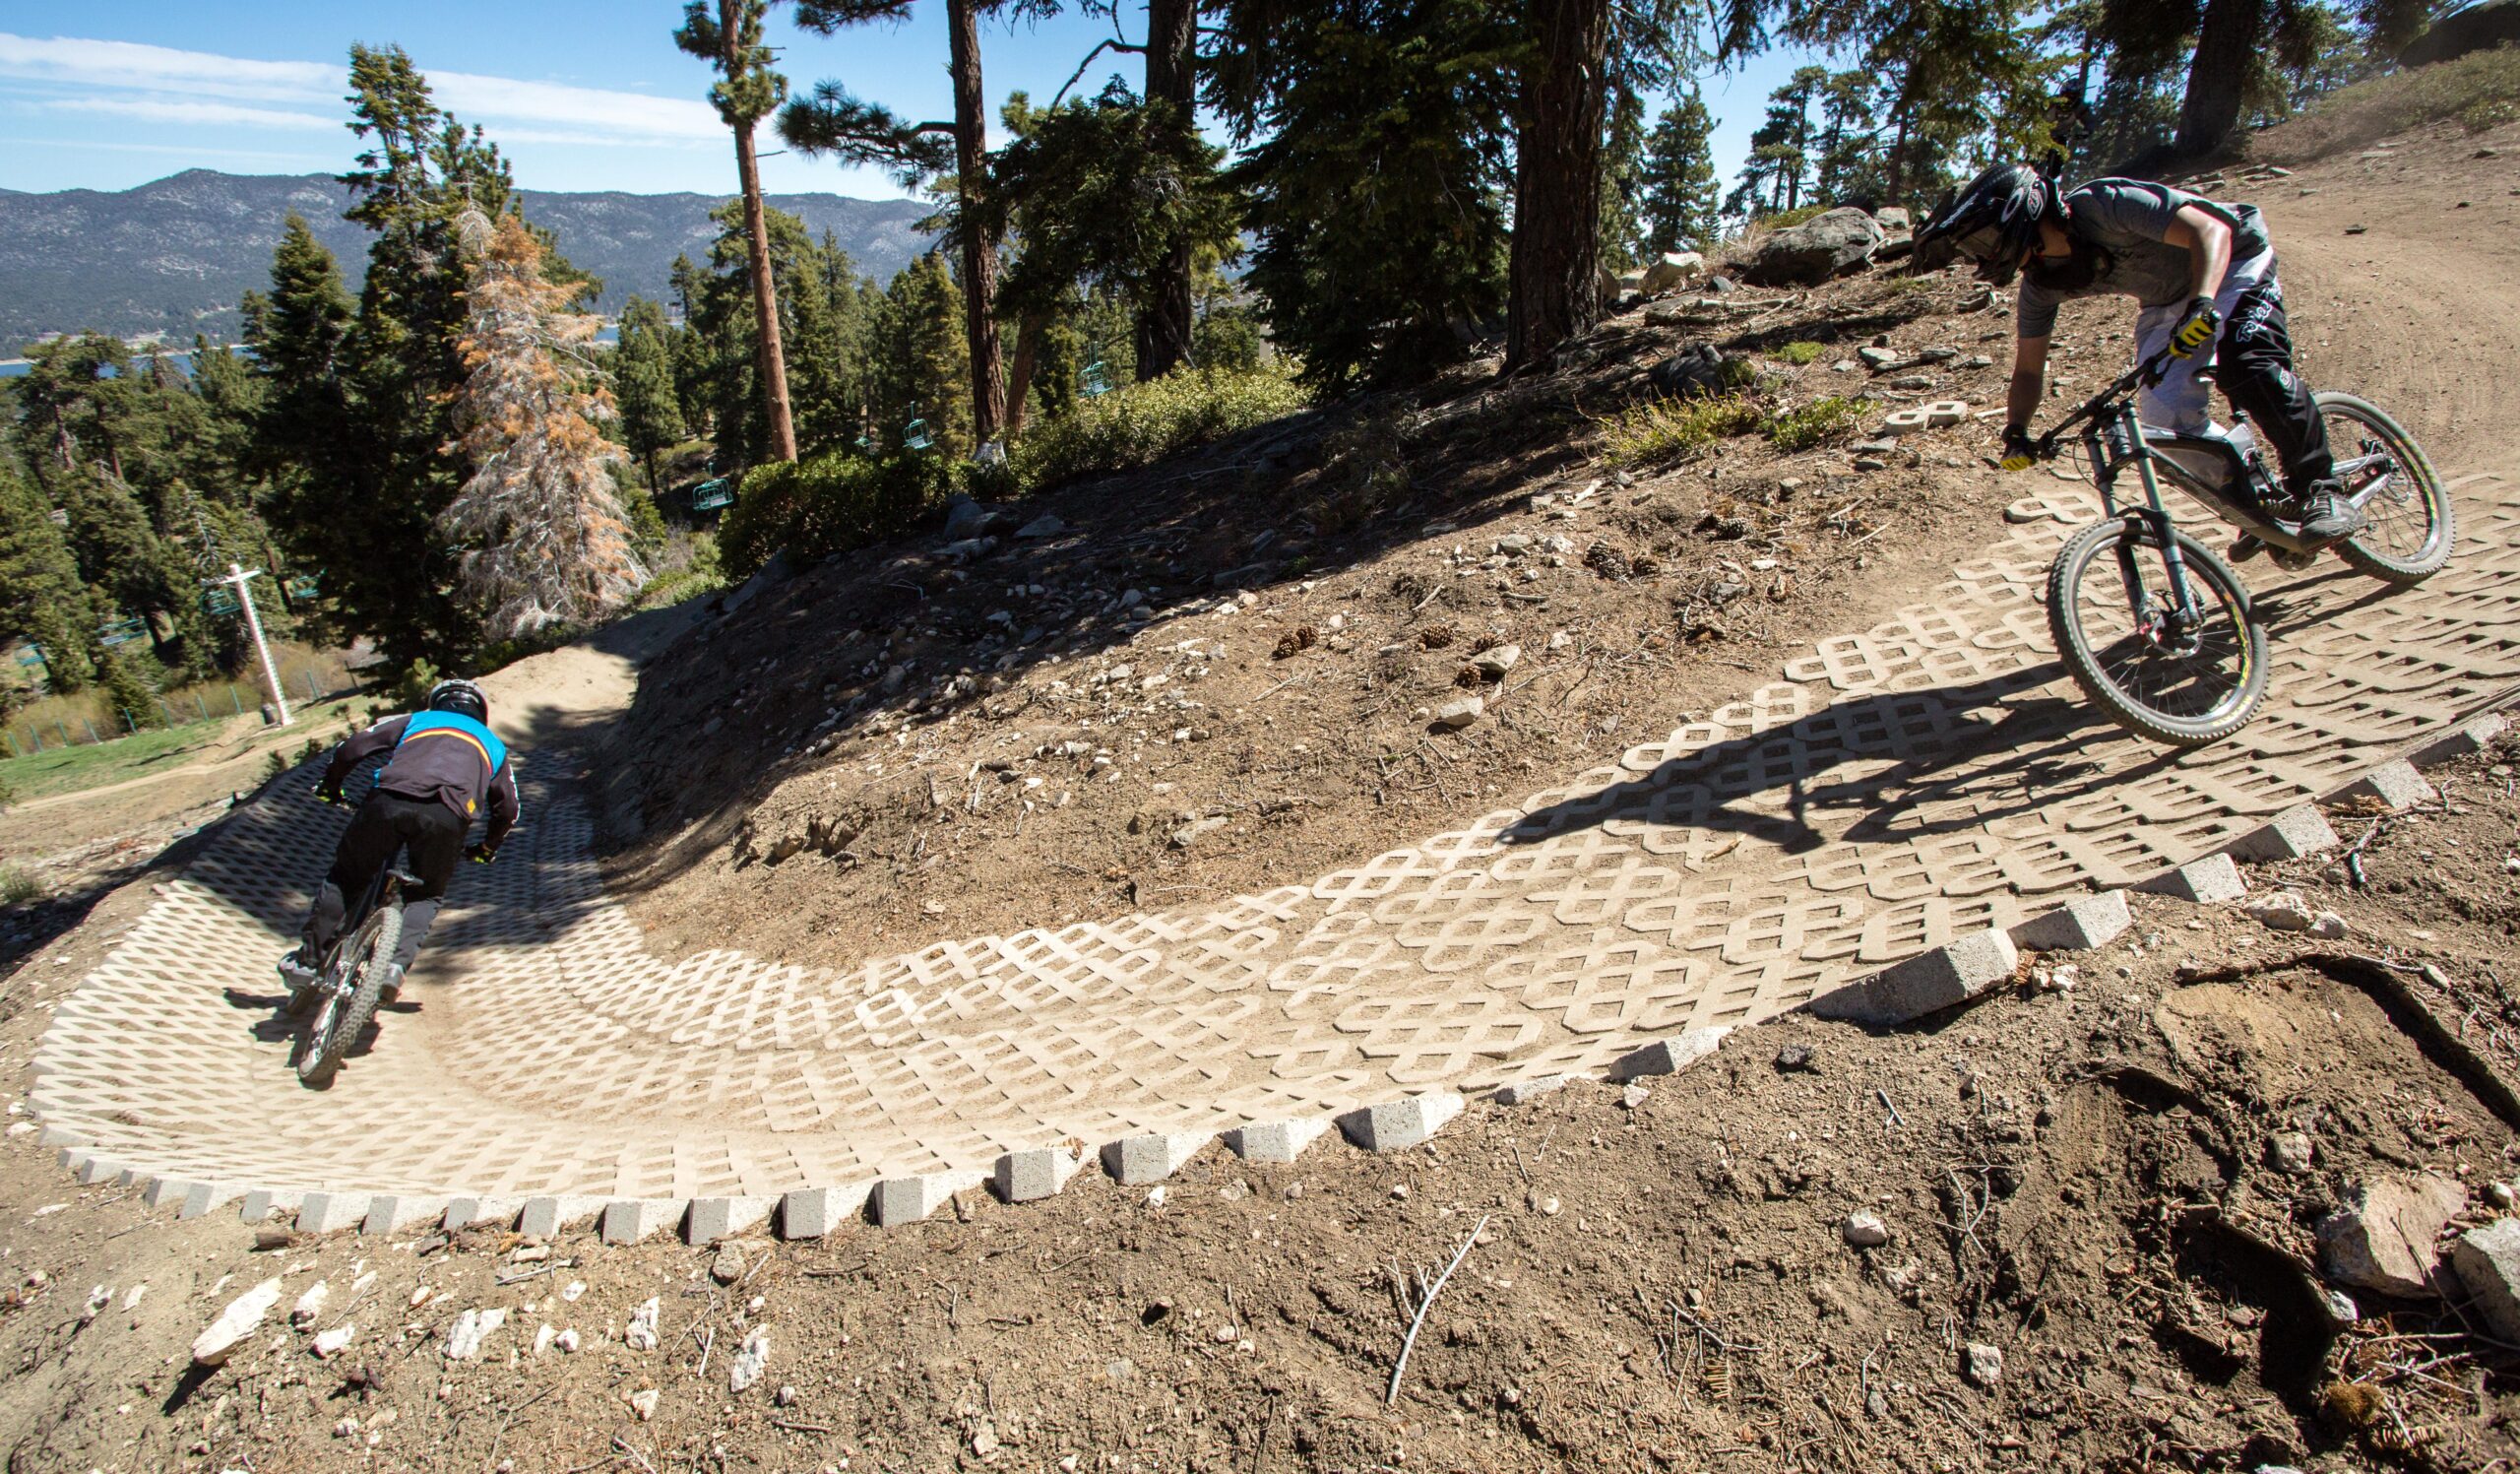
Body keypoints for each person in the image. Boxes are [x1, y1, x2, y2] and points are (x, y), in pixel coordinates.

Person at [1911, 163, 2360, 544]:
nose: (1981, 255)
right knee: (2166, 428)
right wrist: (2016, 432)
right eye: (1974, 249)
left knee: (2246, 361)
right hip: (2169, 301)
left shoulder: (2105, 205)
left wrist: (2203, 304)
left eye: (1983, 241)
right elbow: (2028, 370)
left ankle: (2321, 486)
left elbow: (2212, 229)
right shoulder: (2041, 284)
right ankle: (2257, 499)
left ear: (2022, 211)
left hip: (2233, 259)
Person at [278, 677, 518, 999]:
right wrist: (488, 847)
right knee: (425, 894)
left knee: (347, 878)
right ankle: (393, 967)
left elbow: (351, 748)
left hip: (389, 800)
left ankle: (308, 963)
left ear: (436, 702)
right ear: (481, 712)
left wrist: (330, 785)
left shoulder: (417, 720)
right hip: (449, 816)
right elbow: (509, 809)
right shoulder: (493, 744)